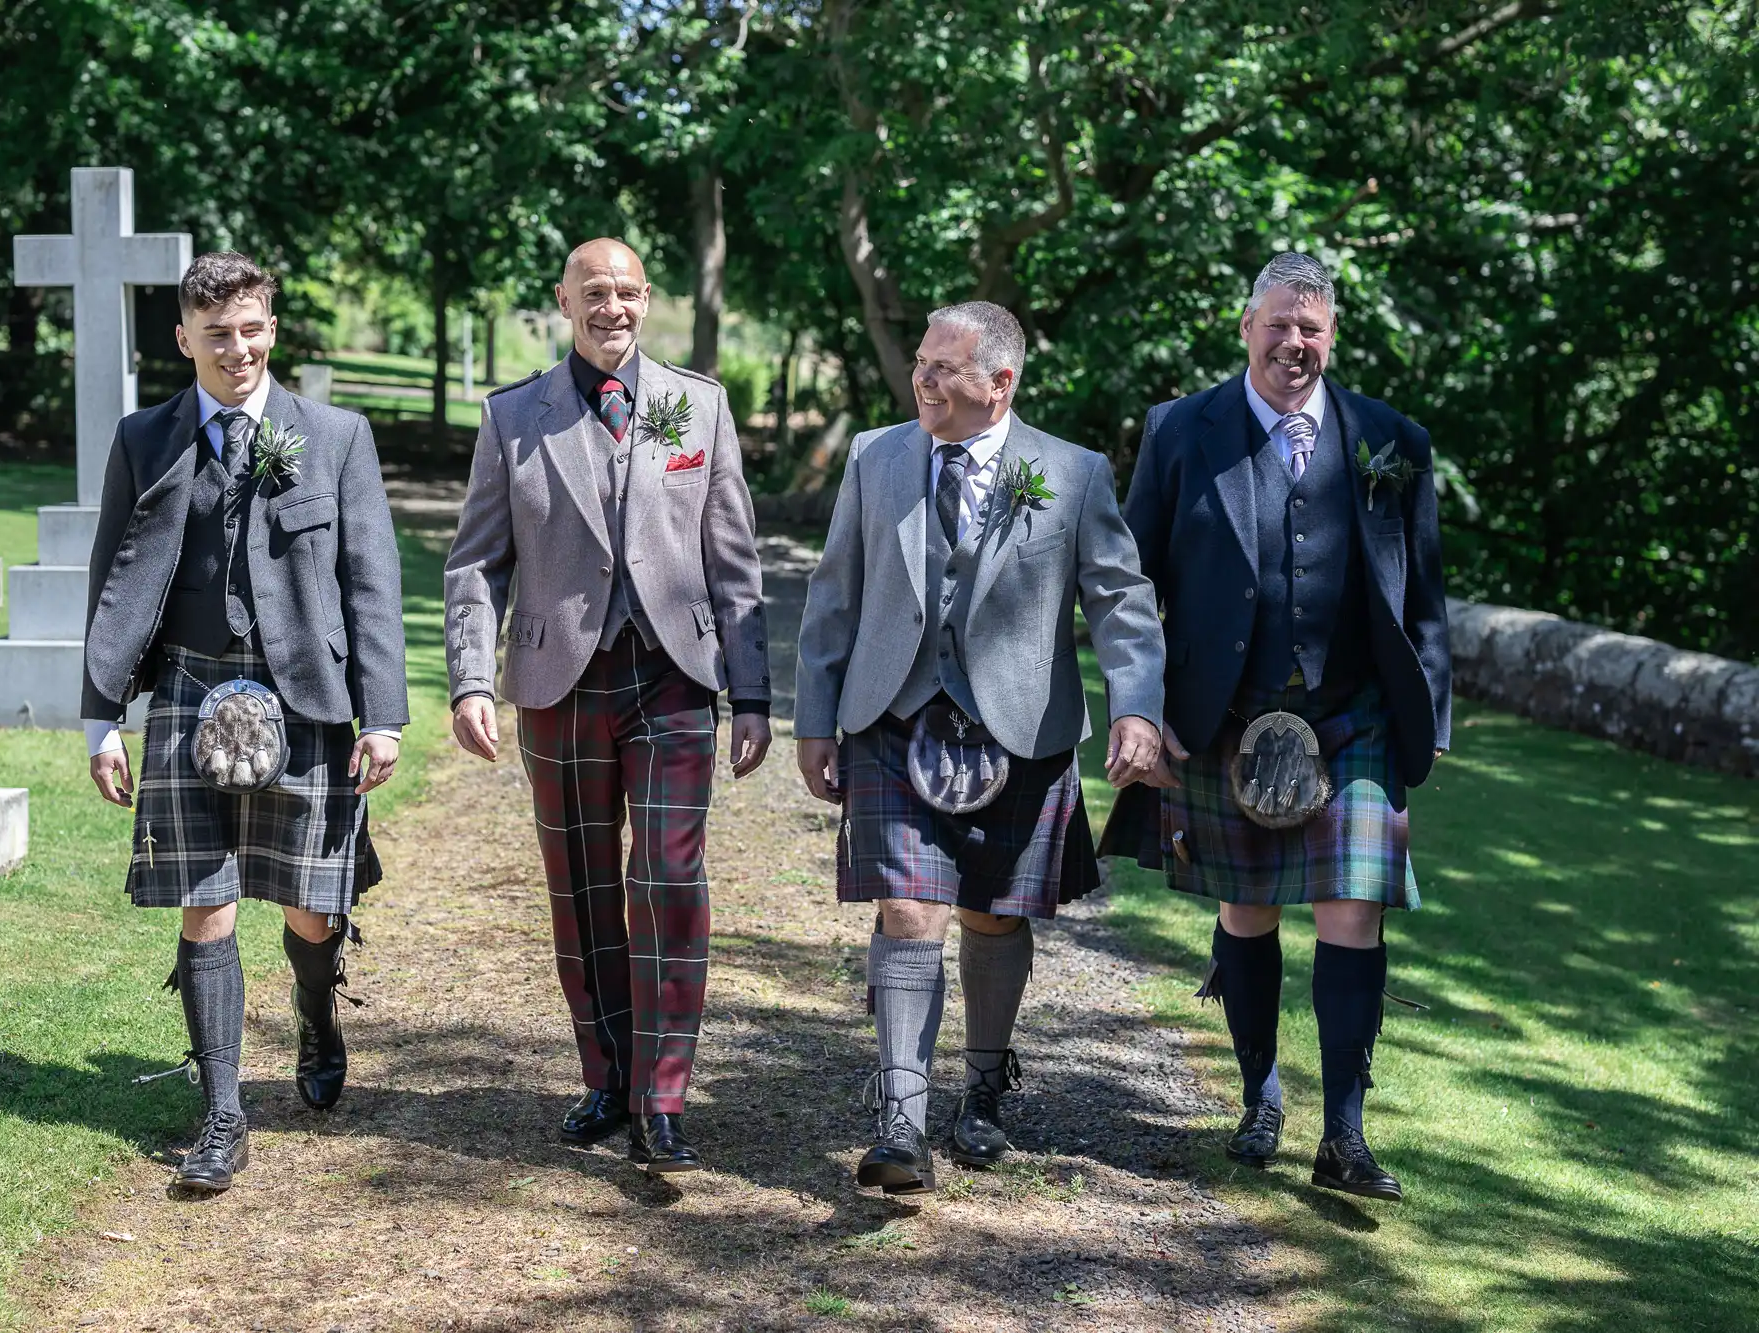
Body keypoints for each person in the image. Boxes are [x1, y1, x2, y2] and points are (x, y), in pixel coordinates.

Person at [794, 301, 1166, 1195]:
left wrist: (1137, 707)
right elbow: (834, 593)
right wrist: (815, 717)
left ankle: (984, 1088)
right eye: (920, 363)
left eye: (943, 368)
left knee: (993, 915)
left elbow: (1120, 598)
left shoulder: (1072, 475)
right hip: (892, 713)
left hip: (1020, 726)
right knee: (908, 907)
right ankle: (901, 1118)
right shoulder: (876, 458)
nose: (922, 380)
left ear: (1000, 383)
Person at [1102, 252, 1450, 1202]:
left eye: (1313, 330)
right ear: (1244, 325)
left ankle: (1345, 1131)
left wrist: (1434, 722)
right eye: (1279, 324)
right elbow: (1132, 586)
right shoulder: (1180, 431)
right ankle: (1260, 1094)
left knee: (1352, 910)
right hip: (1227, 713)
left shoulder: (1392, 439)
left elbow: (1423, 598)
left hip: (1353, 716)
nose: (1295, 344)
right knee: (1246, 910)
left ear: (1330, 336)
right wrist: (1138, 703)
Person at [442, 238, 771, 1173]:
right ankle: (606, 1072)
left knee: (668, 879)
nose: (613, 307)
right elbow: (475, 562)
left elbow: (734, 560)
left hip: (672, 677)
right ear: (565, 301)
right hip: (560, 681)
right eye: (595, 292)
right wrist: (472, 678)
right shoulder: (515, 417)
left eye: (627, 291)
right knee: (583, 888)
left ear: (647, 299)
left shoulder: (696, 404)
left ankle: (662, 1095)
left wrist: (750, 693)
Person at [82, 251, 408, 1195]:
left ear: (274, 325)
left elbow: (372, 584)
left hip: (304, 691)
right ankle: (223, 1113)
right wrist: (102, 717)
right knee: (207, 902)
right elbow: (113, 577)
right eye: (217, 333)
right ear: (183, 338)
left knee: (310, 906)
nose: (239, 348)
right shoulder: (145, 438)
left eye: (253, 327)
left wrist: (380, 714)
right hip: (187, 689)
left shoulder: (336, 435)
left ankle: (316, 1011)